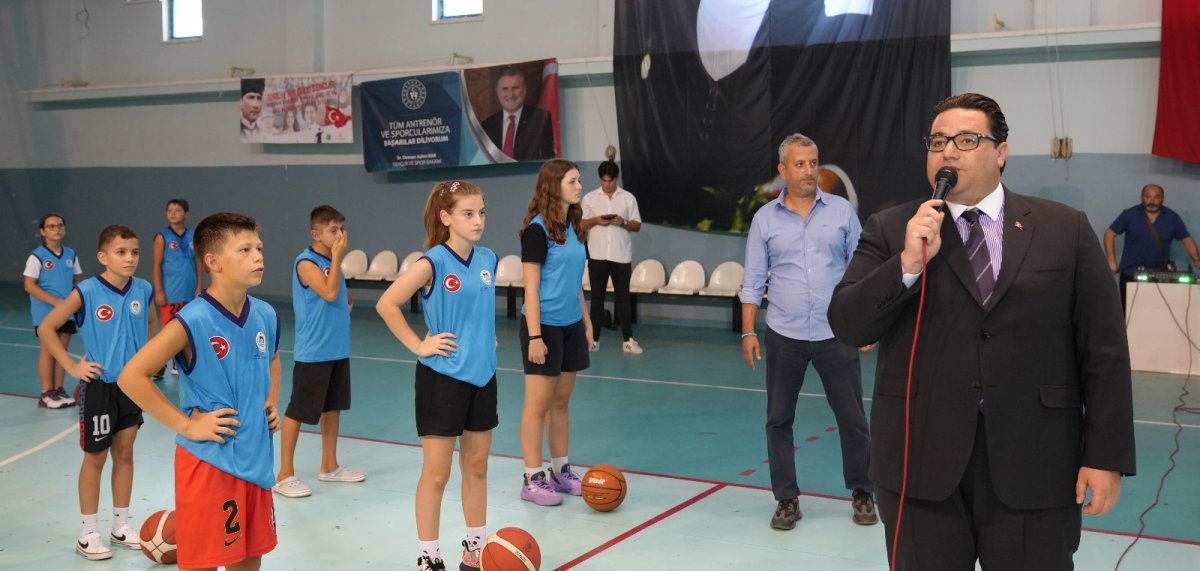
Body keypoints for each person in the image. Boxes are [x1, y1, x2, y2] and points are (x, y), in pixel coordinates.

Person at [828, 93, 1136, 570]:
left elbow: (1105, 351)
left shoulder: (1064, 230)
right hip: (920, 463)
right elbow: (848, 324)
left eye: (967, 140)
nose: (948, 151)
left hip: (1035, 463)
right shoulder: (892, 229)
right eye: (937, 141)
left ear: (1001, 152)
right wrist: (907, 263)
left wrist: (1105, 456)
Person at [118, 212, 282, 571]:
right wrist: (187, 425)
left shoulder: (266, 315)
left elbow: (272, 358)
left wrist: (270, 400)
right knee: (204, 562)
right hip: (211, 462)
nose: (258, 256)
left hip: (256, 459)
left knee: (249, 560)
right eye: (245, 250)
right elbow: (131, 376)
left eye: (259, 248)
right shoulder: (193, 320)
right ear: (213, 262)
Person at [738, 134, 876, 531]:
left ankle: (863, 492)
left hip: (837, 333)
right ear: (783, 170)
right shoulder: (765, 219)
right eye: (800, 164)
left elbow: (861, 270)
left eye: (813, 163)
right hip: (785, 334)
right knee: (779, 419)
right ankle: (786, 499)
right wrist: (748, 332)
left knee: (852, 417)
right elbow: (753, 279)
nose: (808, 171)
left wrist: (866, 321)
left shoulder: (842, 212)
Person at [376, 180, 498, 571]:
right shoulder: (432, 262)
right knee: (437, 473)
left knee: (477, 467)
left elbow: (478, 311)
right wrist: (418, 344)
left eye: (481, 213)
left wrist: (485, 338)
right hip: (442, 379)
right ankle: (428, 558)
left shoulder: (489, 258)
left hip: (483, 377)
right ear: (446, 218)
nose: (478, 221)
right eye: (468, 213)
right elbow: (387, 303)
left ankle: (474, 550)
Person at [39, 224, 155, 561]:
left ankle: (121, 525)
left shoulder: (143, 289)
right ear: (103, 257)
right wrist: (72, 367)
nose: (130, 258)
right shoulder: (86, 291)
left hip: (131, 386)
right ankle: (88, 532)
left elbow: (151, 322)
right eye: (121, 252)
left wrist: (146, 358)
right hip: (99, 387)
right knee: (96, 457)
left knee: (125, 453)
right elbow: (47, 327)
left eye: (134, 252)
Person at [273, 205, 364, 499]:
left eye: (341, 229)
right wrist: (338, 258)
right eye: (332, 230)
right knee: (298, 409)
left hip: (337, 347)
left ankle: (329, 465)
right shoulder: (306, 262)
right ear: (316, 234)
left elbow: (337, 296)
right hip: (314, 350)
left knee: (332, 407)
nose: (339, 235)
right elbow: (328, 291)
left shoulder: (330, 261)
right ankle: (284, 474)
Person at [517, 159, 593, 506]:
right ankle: (532, 478)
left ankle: (561, 470)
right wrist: (535, 337)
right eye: (573, 181)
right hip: (543, 325)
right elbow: (530, 289)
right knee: (537, 406)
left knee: (561, 401)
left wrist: (586, 322)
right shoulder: (536, 231)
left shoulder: (575, 226)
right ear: (554, 186)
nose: (579, 186)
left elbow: (575, 282)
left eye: (579, 180)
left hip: (570, 324)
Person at [580, 160, 644, 354]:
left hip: (621, 255)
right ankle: (594, 340)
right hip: (597, 255)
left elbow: (637, 225)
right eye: (604, 181)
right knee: (597, 299)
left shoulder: (628, 198)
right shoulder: (590, 198)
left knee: (623, 299)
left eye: (610, 181)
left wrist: (622, 222)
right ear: (600, 179)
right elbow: (581, 224)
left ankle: (628, 340)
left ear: (617, 178)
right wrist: (596, 220)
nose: (607, 184)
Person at [1104, 183, 1200, 308]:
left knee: (1155, 312)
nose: (1152, 201)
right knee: (1128, 312)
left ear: (1163, 199)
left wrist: (1196, 259)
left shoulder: (1172, 217)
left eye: (1156, 197)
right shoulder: (1130, 214)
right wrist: (1111, 260)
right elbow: (1109, 233)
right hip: (1130, 273)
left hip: (1160, 275)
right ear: (1141, 197)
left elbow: (1186, 239)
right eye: (1148, 196)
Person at [24, 213, 82, 408]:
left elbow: (75, 281)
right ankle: (46, 393)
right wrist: (56, 302)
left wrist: (72, 303)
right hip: (45, 312)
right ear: (42, 231)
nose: (57, 229)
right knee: (48, 351)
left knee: (61, 352)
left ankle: (59, 390)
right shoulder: (37, 256)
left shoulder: (71, 254)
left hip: (66, 312)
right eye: (51, 226)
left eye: (60, 226)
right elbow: (29, 285)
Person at [151, 198, 202, 380]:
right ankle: (159, 364)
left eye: (177, 210)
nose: (173, 214)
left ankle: (179, 362)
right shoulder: (162, 237)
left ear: (186, 214)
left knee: (188, 328)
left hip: (190, 293)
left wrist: (199, 287)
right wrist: (158, 290)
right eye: (170, 210)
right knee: (169, 331)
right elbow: (156, 265)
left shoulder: (193, 236)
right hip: (171, 293)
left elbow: (198, 262)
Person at [480, 68, 555, 161]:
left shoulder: (540, 119)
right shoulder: (487, 126)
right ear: (497, 92)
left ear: (524, 90)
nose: (510, 94)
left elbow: (546, 159)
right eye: (505, 89)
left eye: (515, 88)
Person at [240, 78, 266, 143]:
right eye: (251, 98)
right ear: (241, 101)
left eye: (259, 98)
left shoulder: (263, 131)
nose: (256, 105)